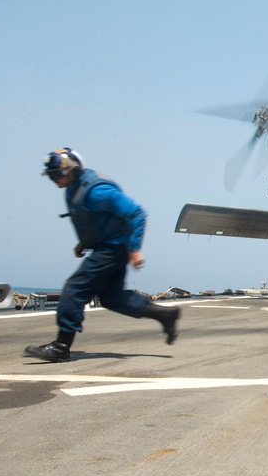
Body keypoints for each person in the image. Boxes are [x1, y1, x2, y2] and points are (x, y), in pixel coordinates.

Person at [24, 148, 180, 363]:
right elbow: (97, 221)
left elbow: (136, 213)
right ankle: (164, 314)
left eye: (56, 175)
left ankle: (61, 347)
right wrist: (85, 243)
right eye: (51, 176)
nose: (54, 180)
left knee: (74, 289)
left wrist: (135, 249)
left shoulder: (99, 191)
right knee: (110, 297)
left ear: (74, 170)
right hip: (108, 247)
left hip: (111, 250)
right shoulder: (74, 187)